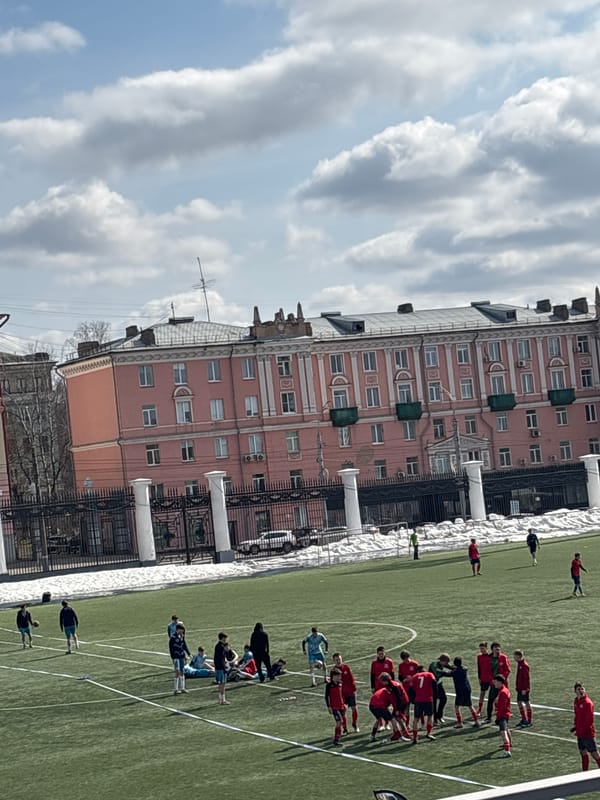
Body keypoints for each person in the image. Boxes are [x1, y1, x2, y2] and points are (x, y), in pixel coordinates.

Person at [572, 683, 600, 770]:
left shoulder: (587, 703)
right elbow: (577, 715)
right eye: (579, 689)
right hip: (580, 733)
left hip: (587, 733)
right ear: (575, 691)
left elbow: (589, 720)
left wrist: (582, 730)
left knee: (594, 753)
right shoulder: (576, 701)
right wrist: (575, 726)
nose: (581, 691)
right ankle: (585, 772)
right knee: (583, 752)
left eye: (582, 689)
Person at [368, 672, 402, 742]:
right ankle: (399, 736)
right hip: (379, 706)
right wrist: (397, 709)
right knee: (393, 719)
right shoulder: (390, 690)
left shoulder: (385, 689)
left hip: (372, 705)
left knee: (378, 719)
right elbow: (391, 700)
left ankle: (372, 736)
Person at [408, 665, 437, 742]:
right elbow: (434, 684)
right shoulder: (429, 674)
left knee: (416, 718)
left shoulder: (414, 677)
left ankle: (415, 737)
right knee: (430, 716)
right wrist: (435, 695)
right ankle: (429, 733)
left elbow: (410, 689)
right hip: (428, 699)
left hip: (418, 700)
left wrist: (412, 699)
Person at [333, 652, 359, 733]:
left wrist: (354, 689)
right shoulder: (334, 671)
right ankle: (345, 728)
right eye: (336, 660)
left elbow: (352, 678)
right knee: (343, 711)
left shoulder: (346, 667)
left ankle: (355, 724)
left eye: (339, 659)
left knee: (354, 708)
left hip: (350, 692)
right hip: (341, 694)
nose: (338, 661)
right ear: (334, 661)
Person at [485, 642, 511, 723]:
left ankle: (503, 716)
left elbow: (507, 670)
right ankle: (489, 717)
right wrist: (492, 680)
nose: (497, 650)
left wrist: (502, 679)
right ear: (492, 649)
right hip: (493, 683)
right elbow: (487, 670)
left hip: (501, 684)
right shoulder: (489, 658)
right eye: (496, 648)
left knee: (502, 701)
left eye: (498, 648)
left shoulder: (503, 657)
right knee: (491, 699)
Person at [450, 657, 479, 728]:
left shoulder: (454, 672)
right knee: (470, 705)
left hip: (460, 690)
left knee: (457, 706)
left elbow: (447, 673)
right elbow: (457, 668)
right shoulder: (464, 669)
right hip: (467, 689)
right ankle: (476, 721)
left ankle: (460, 723)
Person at [325, 667, 347, 746]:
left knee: (340, 722)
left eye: (339, 676)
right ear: (333, 676)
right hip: (334, 707)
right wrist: (329, 706)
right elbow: (326, 696)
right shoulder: (329, 685)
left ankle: (337, 738)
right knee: (339, 721)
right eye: (337, 676)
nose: (339, 677)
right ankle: (336, 739)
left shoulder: (340, 683)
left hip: (341, 705)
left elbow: (342, 694)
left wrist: (344, 703)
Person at [428, 653, 452, 725]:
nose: (447, 664)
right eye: (446, 662)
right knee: (434, 702)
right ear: (443, 661)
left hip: (439, 684)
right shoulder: (434, 665)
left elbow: (450, 667)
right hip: (432, 685)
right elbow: (439, 674)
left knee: (444, 699)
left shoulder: (442, 664)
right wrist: (450, 673)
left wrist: (457, 668)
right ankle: (434, 719)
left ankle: (439, 715)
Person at [493, 674, 512, 757]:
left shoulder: (503, 692)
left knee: (503, 732)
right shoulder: (504, 690)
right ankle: (509, 744)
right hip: (505, 714)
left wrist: (498, 716)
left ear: (500, 682)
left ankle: (507, 751)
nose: (494, 684)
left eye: (495, 682)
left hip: (503, 715)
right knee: (506, 729)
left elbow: (502, 707)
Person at [169, 623, 191, 694]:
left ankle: (183, 688)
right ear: (177, 630)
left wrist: (188, 653)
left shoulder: (182, 637)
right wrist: (173, 657)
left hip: (182, 656)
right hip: (176, 657)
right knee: (177, 671)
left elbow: (184, 645)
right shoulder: (173, 638)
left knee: (182, 671)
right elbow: (171, 648)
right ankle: (175, 689)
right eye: (181, 630)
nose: (182, 632)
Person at [514, 649, 532, 727]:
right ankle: (524, 718)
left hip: (524, 689)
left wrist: (525, 688)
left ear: (518, 656)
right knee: (519, 702)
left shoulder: (524, 665)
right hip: (520, 688)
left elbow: (526, 678)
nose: (514, 658)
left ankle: (529, 720)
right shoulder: (520, 664)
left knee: (526, 702)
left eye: (515, 656)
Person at [214, 632, 231, 704]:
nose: (226, 640)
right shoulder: (221, 647)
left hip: (218, 667)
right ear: (222, 638)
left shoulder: (218, 646)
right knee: (222, 684)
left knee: (220, 683)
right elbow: (221, 658)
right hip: (221, 667)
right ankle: (223, 700)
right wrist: (224, 668)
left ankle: (220, 699)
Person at [477, 642, 493, 717]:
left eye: (483, 648)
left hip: (491, 678)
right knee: (482, 693)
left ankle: (496, 708)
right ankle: (479, 709)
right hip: (483, 678)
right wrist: (479, 678)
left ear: (486, 648)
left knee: (494, 694)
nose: (481, 650)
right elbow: (479, 668)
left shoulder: (491, 656)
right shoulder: (479, 657)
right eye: (480, 649)